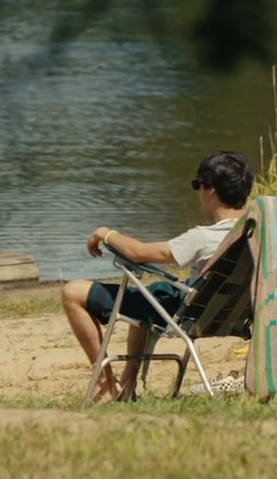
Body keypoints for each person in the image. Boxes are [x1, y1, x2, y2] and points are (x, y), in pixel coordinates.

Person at [61, 150, 254, 402]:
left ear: (211, 190)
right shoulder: (259, 231)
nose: (197, 192)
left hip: (189, 316)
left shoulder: (203, 238)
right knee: (154, 293)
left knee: (72, 292)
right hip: (237, 315)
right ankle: (129, 380)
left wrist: (104, 233)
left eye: (197, 185)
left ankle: (106, 383)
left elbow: (138, 252)